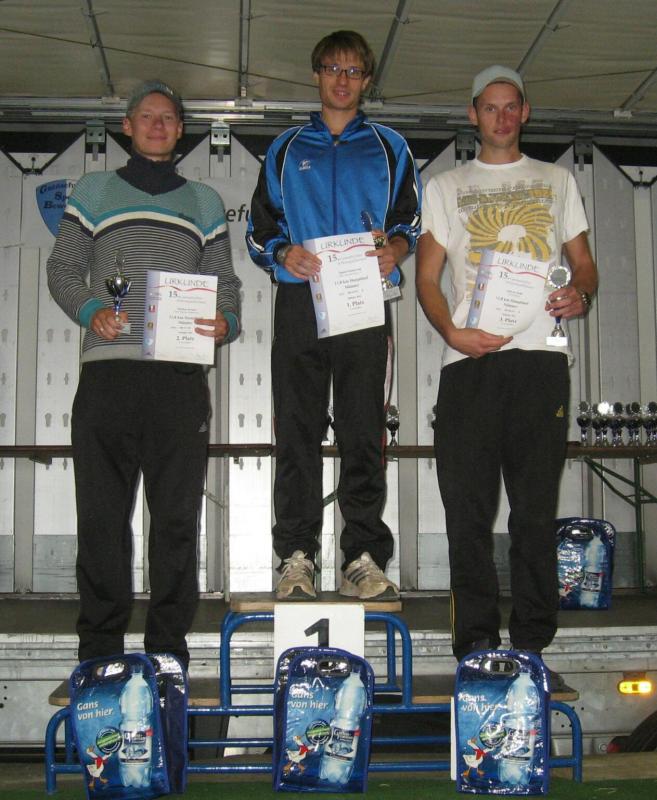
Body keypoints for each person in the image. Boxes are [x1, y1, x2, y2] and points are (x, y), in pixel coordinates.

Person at [47, 79, 241, 669]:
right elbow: (64, 268)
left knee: (176, 522)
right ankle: (99, 655)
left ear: (181, 131)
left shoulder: (205, 202)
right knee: (102, 520)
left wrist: (225, 320)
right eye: (147, 117)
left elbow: (225, 281)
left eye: (169, 118)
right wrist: (92, 310)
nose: (159, 125)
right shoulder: (93, 190)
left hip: (178, 381)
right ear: (127, 127)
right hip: (107, 378)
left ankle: (167, 655)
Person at [416, 65, 597, 687]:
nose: (501, 117)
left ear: (525, 112)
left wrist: (579, 294)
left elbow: (584, 265)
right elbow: (426, 277)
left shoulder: (557, 180)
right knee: (467, 513)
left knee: (534, 512)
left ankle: (531, 649)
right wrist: (451, 333)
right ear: (473, 115)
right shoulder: (444, 186)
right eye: (489, 107)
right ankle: (476, 650)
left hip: (540, 362)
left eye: (511, 106)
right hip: (469, 363)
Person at [246, 30, 421, 600]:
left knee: (362, 429)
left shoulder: (391, 147)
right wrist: (282, 254)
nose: (342, 80)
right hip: (302, 296)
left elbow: (410, 220)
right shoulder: (286, 148)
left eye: (353, 71)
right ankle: (296, 557)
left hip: (364, 296)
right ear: (316, 74)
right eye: (332, 69)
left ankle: (362, 558)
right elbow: (259, 228)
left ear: (367, 80)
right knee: (296, 429)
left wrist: (397, 248)